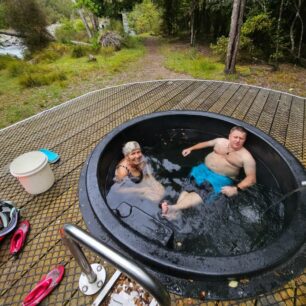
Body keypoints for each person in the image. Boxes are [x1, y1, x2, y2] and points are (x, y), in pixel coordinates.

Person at [161, 126, 256, 218]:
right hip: (203, 169)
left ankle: (173, 208)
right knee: (188, 187)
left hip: (219, 179)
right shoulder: (220, 141)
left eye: (241, 138)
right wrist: (191, 148)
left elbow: (251, 178)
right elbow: (205, 144)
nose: (238, 140)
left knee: (201, 193)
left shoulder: (246, 157)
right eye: (235, 137)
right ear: (230, 136)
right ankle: (175, 213)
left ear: (244, 140)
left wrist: (236, 189)